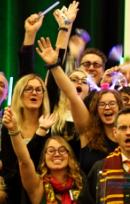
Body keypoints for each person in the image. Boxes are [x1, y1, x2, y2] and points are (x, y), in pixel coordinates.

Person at [35, 37, 123, 175]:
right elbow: (72, 94)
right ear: (95, 108)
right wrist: (54, 65)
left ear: (120, 107)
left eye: (112, 103)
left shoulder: (128, 135)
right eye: (102, 104)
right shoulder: (88, 132)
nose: (107, 107)